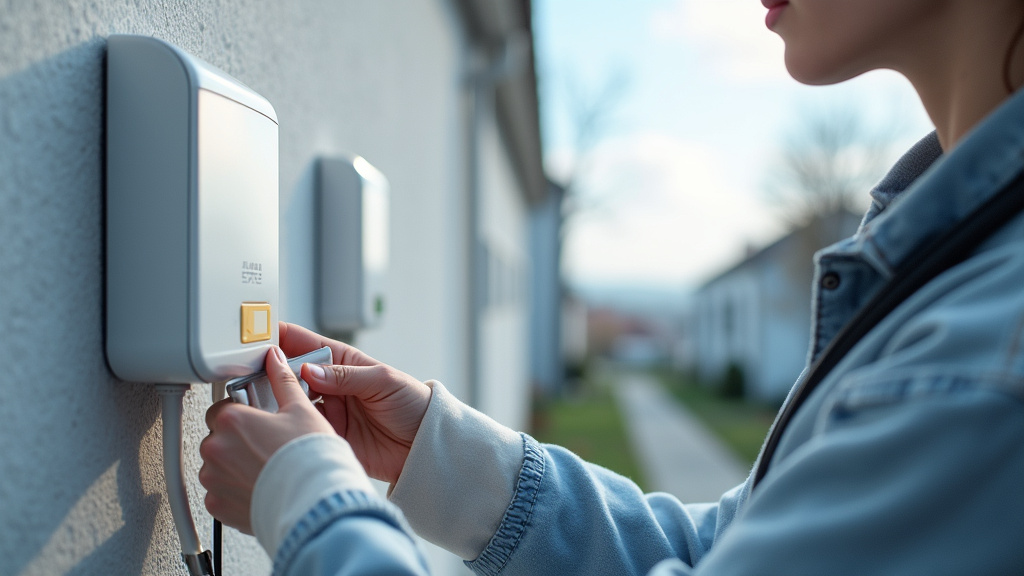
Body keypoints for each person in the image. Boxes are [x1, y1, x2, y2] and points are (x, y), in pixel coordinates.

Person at [199, 1, 1024, 574]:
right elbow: (718, 556)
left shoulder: (991, 351)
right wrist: (434, 452)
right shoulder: (945, 261)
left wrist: (307, 502)